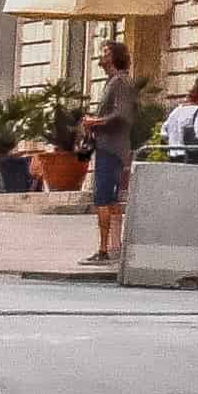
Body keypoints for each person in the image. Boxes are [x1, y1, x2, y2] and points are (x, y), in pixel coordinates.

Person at [84, 40, 139, 264]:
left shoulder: (120, 82)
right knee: (110, 198)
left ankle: (104, 249)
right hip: (108, 146)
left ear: (115, 57)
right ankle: (114, 247)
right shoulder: (113, 82)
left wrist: (94, 121)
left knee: (103, 198)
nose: (102, 55)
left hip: (111, 148)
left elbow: (122, 115)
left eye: (106, 52)